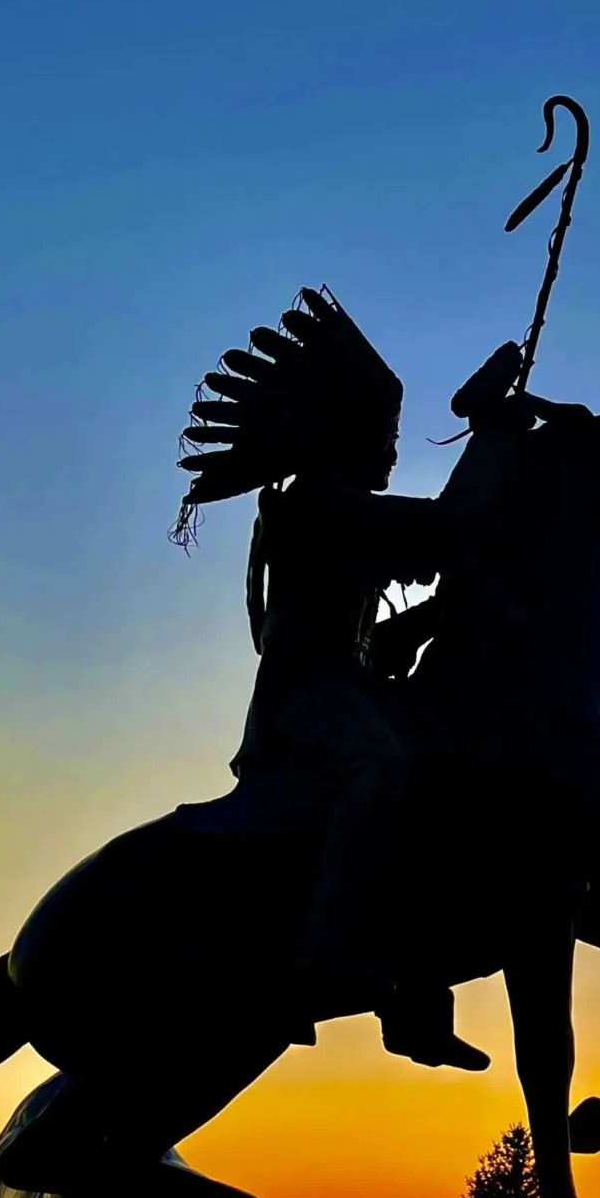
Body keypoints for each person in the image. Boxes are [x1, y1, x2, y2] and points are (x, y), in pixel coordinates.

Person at [175, 286, 486, 1069]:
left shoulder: (337, 506)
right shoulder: (319, 503)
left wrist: (420, 626)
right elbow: (447, 535)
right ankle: (329, 955)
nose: (390, 446)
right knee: (388, 766)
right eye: (382, 430)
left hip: (344, 685)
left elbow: (386, 604)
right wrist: (488, 432)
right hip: (307, 703)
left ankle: (418, 989)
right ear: (341, 430)